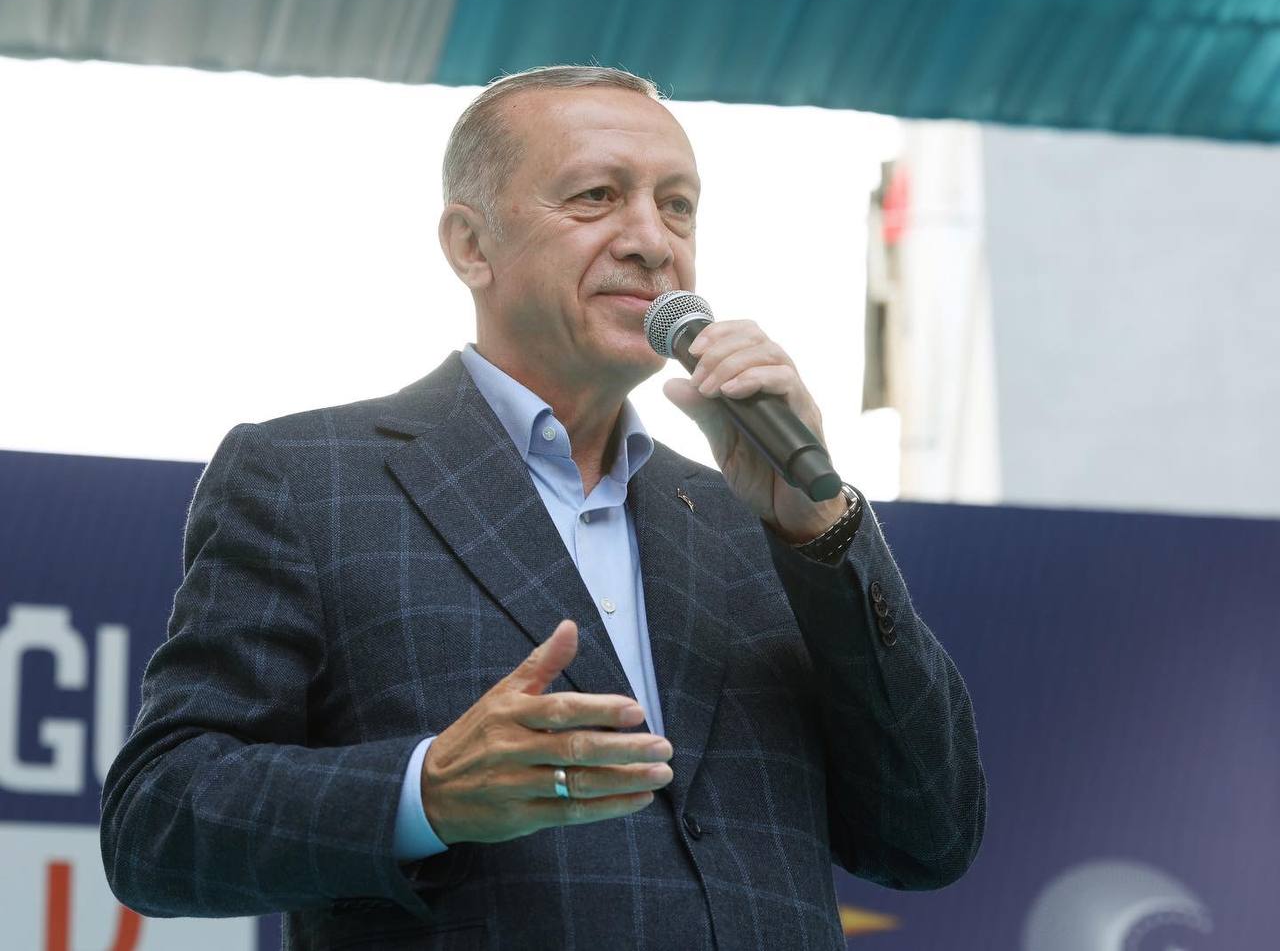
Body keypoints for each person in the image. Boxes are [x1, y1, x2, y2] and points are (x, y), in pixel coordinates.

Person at [100, 65, 986, 950]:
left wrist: (819, 529)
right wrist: (428, 791)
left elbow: (931, 835)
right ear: (470, 245)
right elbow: (157, 820)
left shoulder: (757, 520)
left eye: (677, 205)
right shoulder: (308, 479)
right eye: (597, 196)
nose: (652, 240)